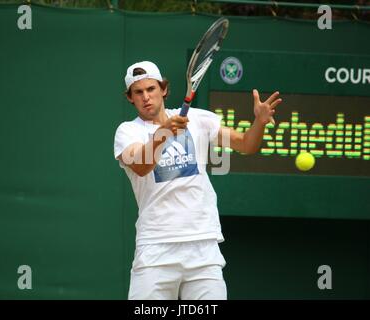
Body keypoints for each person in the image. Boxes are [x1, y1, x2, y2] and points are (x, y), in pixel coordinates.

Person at [114, 61, 282, 300]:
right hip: (156, 248)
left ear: (163, 89)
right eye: (138, 92)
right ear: (130, 98)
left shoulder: (199, 119)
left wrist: (259, 122)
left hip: (203, 246)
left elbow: (246, 144)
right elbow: (141, 166)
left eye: (151, 89)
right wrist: (164, 133)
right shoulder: (127, 132)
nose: (146, 97)